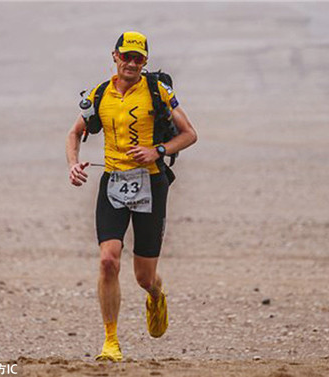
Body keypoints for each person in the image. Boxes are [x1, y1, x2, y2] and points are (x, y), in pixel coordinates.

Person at [65, 31, 197, 362]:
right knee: (108, 260)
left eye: (138, 58)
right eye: (127, 56)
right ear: (115, 56)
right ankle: (111, 342)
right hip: (112, 183)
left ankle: (156, 294)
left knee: (143, 276)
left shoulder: (157, 92)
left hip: (150, 185)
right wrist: (73, 165)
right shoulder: (100, 94)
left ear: (145, 62)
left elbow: (190, 134)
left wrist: (158, 150)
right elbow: (75, 133)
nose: (132, 63)